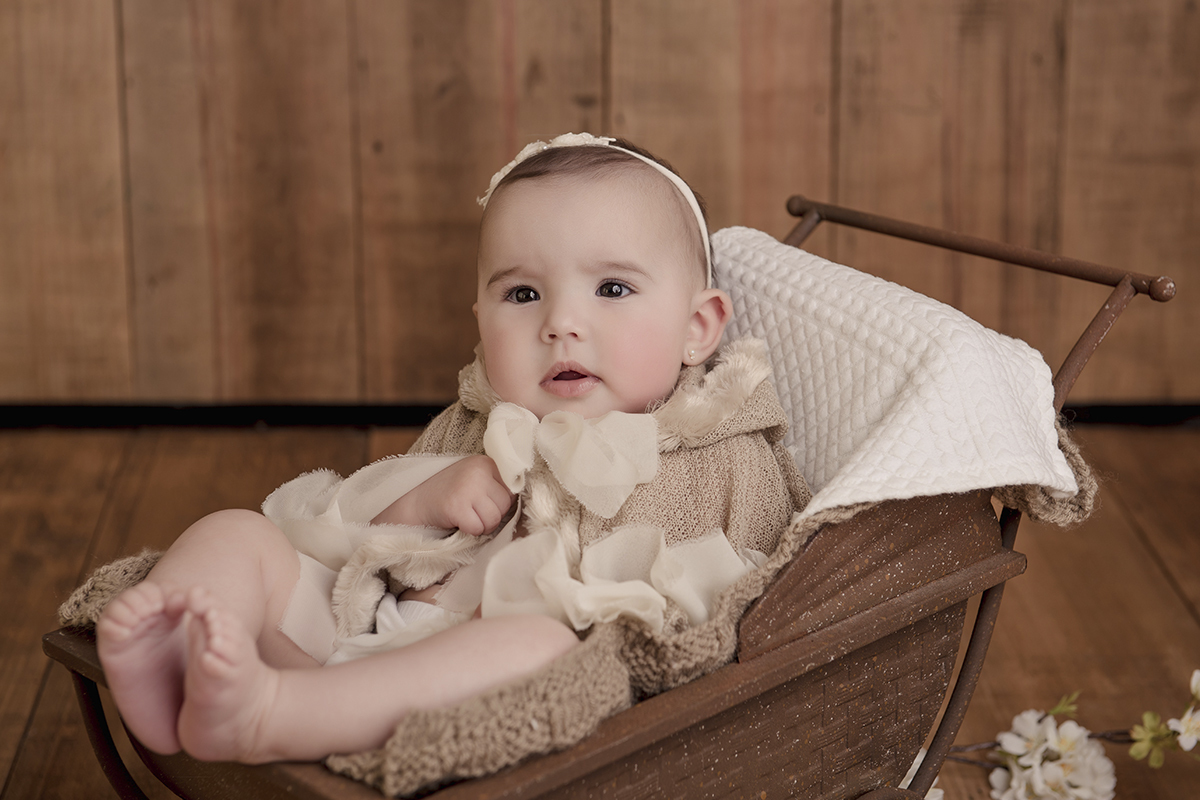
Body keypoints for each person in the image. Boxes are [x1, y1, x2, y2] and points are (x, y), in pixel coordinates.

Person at [96, 133, 808, 766]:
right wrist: (423, 496)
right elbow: (348, 538)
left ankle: (269, 714)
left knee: (539, 648)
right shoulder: (474, 424)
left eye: (612, 287)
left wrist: (580, 608)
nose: (561, 323)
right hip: (362, 636)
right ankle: (175, 644)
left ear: (698, 327)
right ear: (480, 318)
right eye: (523, 293)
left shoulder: (721, 454)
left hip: (470, 688)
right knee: (237, 533)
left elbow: (732, 608)